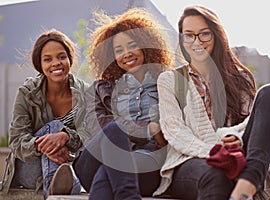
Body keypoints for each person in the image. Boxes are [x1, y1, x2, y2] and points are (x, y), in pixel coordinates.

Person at [153, 5, 270, 200]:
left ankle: (246, 186)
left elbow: (250, 123)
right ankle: (246, 183)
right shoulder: (169, 80)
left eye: (204, 34)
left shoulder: (239, 79)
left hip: (238, 155)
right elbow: (174, 132)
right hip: (189, 162)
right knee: (215, 174)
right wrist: (216, 150)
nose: (196, 41)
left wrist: (235, 137)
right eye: (189, 35)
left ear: (216, 35)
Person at [72, 8, 173, 200]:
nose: (126, 54)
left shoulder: (166, 82)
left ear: (145, 45)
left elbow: (175, 124)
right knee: (113, 130)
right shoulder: (99, 90)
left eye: (131, 45)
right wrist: (148, 130)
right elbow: (98, 128)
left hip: (146, 162)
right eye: (118, 50)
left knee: (113, 168)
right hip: (93, 161)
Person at [2, 29, 88, 199]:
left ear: (69, 59)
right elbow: (17, 141)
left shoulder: (85, 93)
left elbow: (92, 134)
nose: (56, 63)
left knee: (59, 134)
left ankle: (58, 187)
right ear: (39, 64)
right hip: (29, 169)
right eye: (48, 59)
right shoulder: (27, 93)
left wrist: (66, 137)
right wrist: (46, 145)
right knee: (54, 128)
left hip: (69, 166)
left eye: (61, 57)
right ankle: (56, 189)